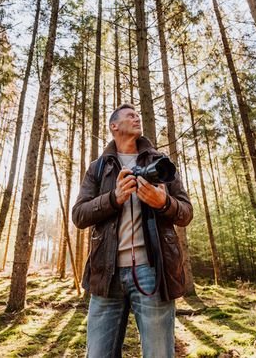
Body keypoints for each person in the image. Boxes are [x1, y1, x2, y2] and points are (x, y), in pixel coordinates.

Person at [72, 103, 193, 358]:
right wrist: (114, 198)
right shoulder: (98, 167)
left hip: (153, 272)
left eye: (139, 114)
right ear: (113, 126)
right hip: (105, 274)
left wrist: (164, 203)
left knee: (159, 354)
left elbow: (186, 212)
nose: (137, 117)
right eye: (130, 115)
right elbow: (79, 215)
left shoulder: (160, 163)